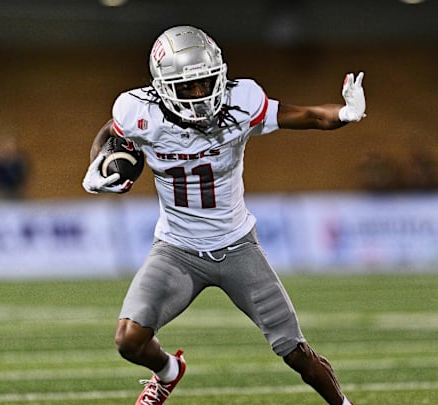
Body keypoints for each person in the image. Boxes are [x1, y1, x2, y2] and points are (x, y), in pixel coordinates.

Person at [81, 25, 365, 405]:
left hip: (237, 248)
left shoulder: (241, 101)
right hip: (176, 249)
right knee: (128, 340)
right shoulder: (139, 111)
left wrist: (345, 112)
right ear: (162, 86)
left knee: (297, 353)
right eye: (188, 86)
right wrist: (97, 163)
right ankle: (168, 372)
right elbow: (111, 133)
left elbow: (308, 115)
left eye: (206, 82)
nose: (200, 94)